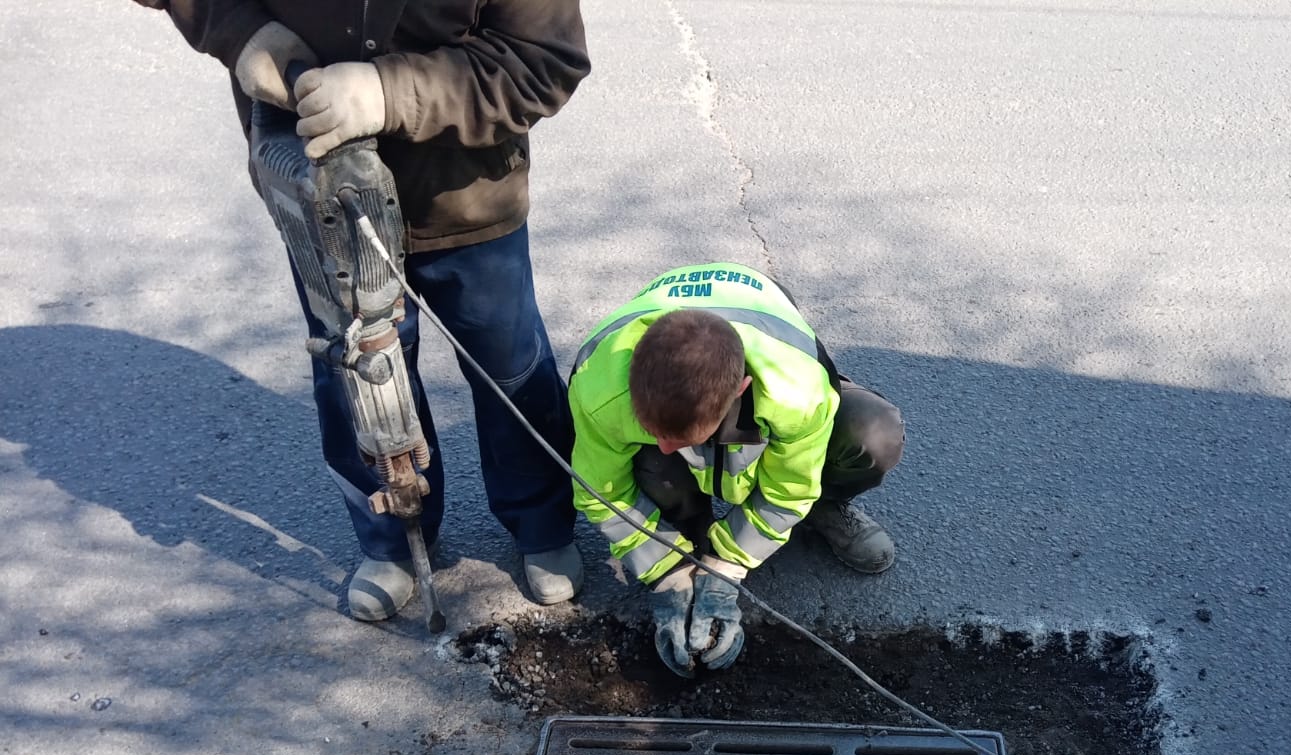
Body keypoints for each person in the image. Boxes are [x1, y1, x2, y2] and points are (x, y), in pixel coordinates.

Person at [137, 1, 590, 619]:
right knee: (355, 370)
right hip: (319, 192)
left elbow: (545, 59)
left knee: (508, 366)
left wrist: (390, 93)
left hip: (466, 193)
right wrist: (238, 32)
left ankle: (542, 523)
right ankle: (393, 540)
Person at [567, 262, 905, 675]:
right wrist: (664, 571)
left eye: (681, 437)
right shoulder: (599, 387)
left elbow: (789, 489)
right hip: (664, 391)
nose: (666, 447)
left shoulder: (796, 392)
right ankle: (685, 540)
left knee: (872, 434)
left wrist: (729, 565)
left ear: (739, 391)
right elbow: (601, 491)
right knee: (648, 460)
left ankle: (823, 506)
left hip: (772, 367)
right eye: (652, 430)